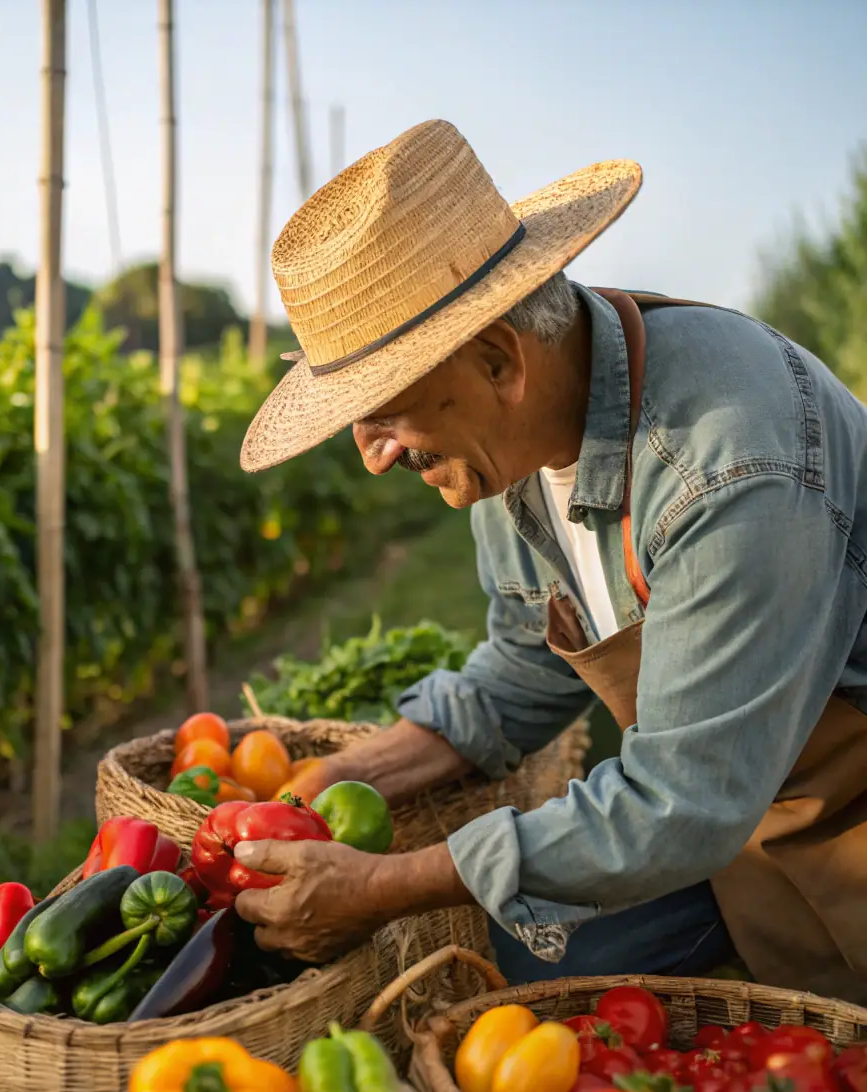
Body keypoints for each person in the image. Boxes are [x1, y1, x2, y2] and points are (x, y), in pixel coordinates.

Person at [230, 119, 867, 996]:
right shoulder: (505, 454)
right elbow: (526, 670)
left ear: (500, 361)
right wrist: (334, 777)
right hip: (735, 797)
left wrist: (382, 886)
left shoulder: (727, 458)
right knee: (525, 957)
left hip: (837, 805)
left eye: (386, 410)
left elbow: (680, 800)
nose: (371, 451)